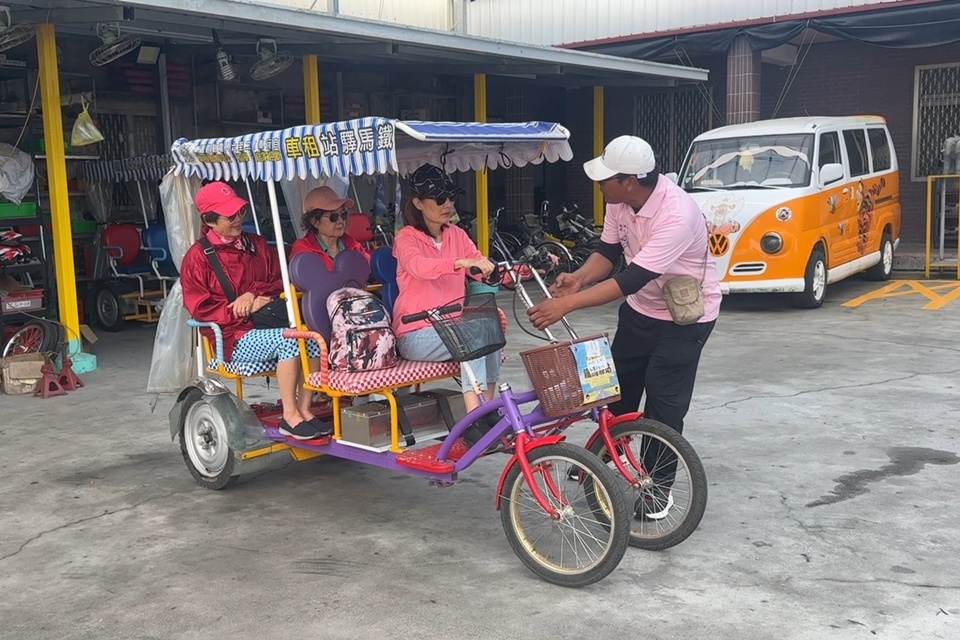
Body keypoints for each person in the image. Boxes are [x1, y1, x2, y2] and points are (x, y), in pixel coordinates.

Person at [527, 135, 721, 519]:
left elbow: (630, 278)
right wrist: (578, 278)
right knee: (616, 391)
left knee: (664, 405)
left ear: (630, 180)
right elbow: (608, 253)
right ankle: (604, 460)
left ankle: (658, 487)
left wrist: (565, 304)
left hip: (685, 319)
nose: (599, 186)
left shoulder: (677, 213)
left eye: (605, 179)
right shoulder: (620, 203)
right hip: (641, 311)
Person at [180, 181, 329, 440]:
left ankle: (305, 409)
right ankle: (289, 415)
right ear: (210, 220)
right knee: (291, 341)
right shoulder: (197, 258)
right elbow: (200, 309)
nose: (238, 219)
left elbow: (281, 279)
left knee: (312, 337)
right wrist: (240, 310)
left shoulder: (256, 244)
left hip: (266, 325)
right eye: (230, 216)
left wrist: (256, 295)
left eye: (240, 212)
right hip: (232, 338)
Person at [391, 164, 500, 415]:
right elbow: (419, 267)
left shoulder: (457, 234)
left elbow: (476, 263)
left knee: (492, 330)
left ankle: (488, 410)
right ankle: (475, 418)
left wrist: (489, 269)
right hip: (415, 332)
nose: (447, 204)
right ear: (418, 203)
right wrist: (460, 262)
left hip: (452, 326)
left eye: (450, 197)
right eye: (440, 198)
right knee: (474, 335)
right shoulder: (406, 237)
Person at [289, 186, 370, 268]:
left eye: (343, 214)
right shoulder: (303, 248)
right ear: (315, 221)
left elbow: (369, 266)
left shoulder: (352, 244)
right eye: (333, 216)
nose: (340, 221)